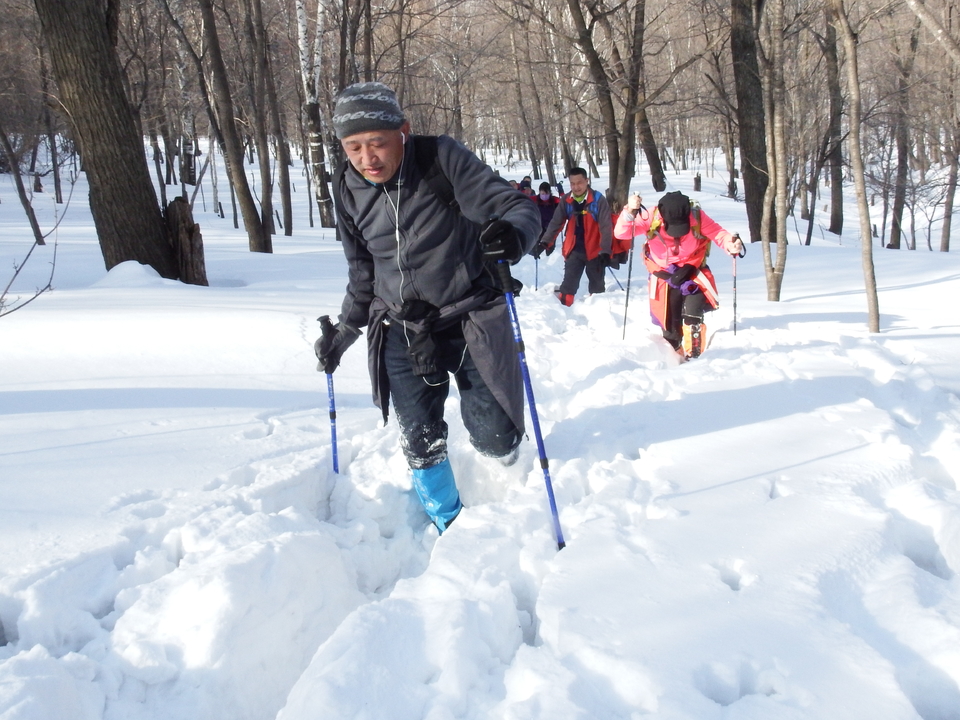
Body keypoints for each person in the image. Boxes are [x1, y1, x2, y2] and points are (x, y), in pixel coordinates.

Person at [315, 82, 541, 534]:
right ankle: (450, 526)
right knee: (420, 438)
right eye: (353, 146)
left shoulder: (440, 158)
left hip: (471, 316)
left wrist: (512, 235)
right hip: (402, 327)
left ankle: (506, 472)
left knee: (495, 437)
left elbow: (516, 206)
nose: (366, 158)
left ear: (404, 130)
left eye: (377, 142)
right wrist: (343, 331)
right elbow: (363, 272)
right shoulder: (346, 186)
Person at [614, 190, 743, 359]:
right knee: (669, 325)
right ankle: (674, 355)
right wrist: (629, 212)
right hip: (662, 274)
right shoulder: (650, 217)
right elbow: (621, 233)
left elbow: (719, 235)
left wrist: (731, 244)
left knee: (692, 313)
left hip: (691, 270)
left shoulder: (697, 217)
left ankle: (695, 356)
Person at [532, 167, 613, 306]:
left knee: (597, 286)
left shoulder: (598, 200)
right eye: (572, 183)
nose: (576, 187)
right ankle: (564, 311)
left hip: (595, 251)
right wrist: (544, 243)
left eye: (579, 182)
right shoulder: (566, 200)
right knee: (569, 284)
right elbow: (556, 223)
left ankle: (598, 314)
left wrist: (605, 251)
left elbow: (606, 227)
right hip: (574, 250)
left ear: (587, 181)